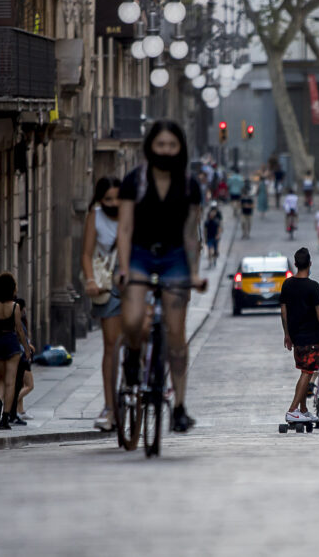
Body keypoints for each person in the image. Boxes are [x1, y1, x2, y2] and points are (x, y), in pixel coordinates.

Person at [116, 119, 207, 433]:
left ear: (180, 147)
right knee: (131, 320)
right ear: (150, 147)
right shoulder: (133, 182)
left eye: (172, 145)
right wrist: (124, 268)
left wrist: (194, 273)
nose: (166, 151)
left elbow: (191, 234)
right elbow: (125, 229)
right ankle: (133, 355)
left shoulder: (189, 185)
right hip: (140, 254)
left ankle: (179, 406)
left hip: (175, 259)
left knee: (177, 338)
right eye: (160, 145)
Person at [81, 176, 123, 432]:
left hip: (130, 279)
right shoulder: (95, 217)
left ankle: (141, 382)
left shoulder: (132, 213)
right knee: (110, 345)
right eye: (108, 199)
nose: (114, 203)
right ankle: (109, 406)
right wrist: (89, 280)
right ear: (100, 200)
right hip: (106, 283)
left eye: (118, 197)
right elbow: (86, 254)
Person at [279, 248, 319, 424]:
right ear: (310, 264)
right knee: (307, 373)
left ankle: (303, 410)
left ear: (295, 264)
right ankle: (292, 410)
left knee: (304, 371)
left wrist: (287, 334)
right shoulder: (313, 286)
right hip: (311, 338)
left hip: (296, 338)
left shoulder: (287, 284)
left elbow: (284, 312)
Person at [0, 272, 32, 430]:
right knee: (11, 382)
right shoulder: (15, 307)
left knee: (1, 379)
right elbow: (19, 331)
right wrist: (27, 349)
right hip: (11, 344)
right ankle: (5, 418)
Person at [11, 298, 36, 425]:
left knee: (20, 384)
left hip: (20, 355)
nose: (25, 311)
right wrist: (28, 348)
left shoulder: (19, 320)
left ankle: (20, 411)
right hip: (22, 356)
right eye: (23, 308)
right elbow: (20, 337)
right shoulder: (17, 322)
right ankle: (11, 404)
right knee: (30, 385)